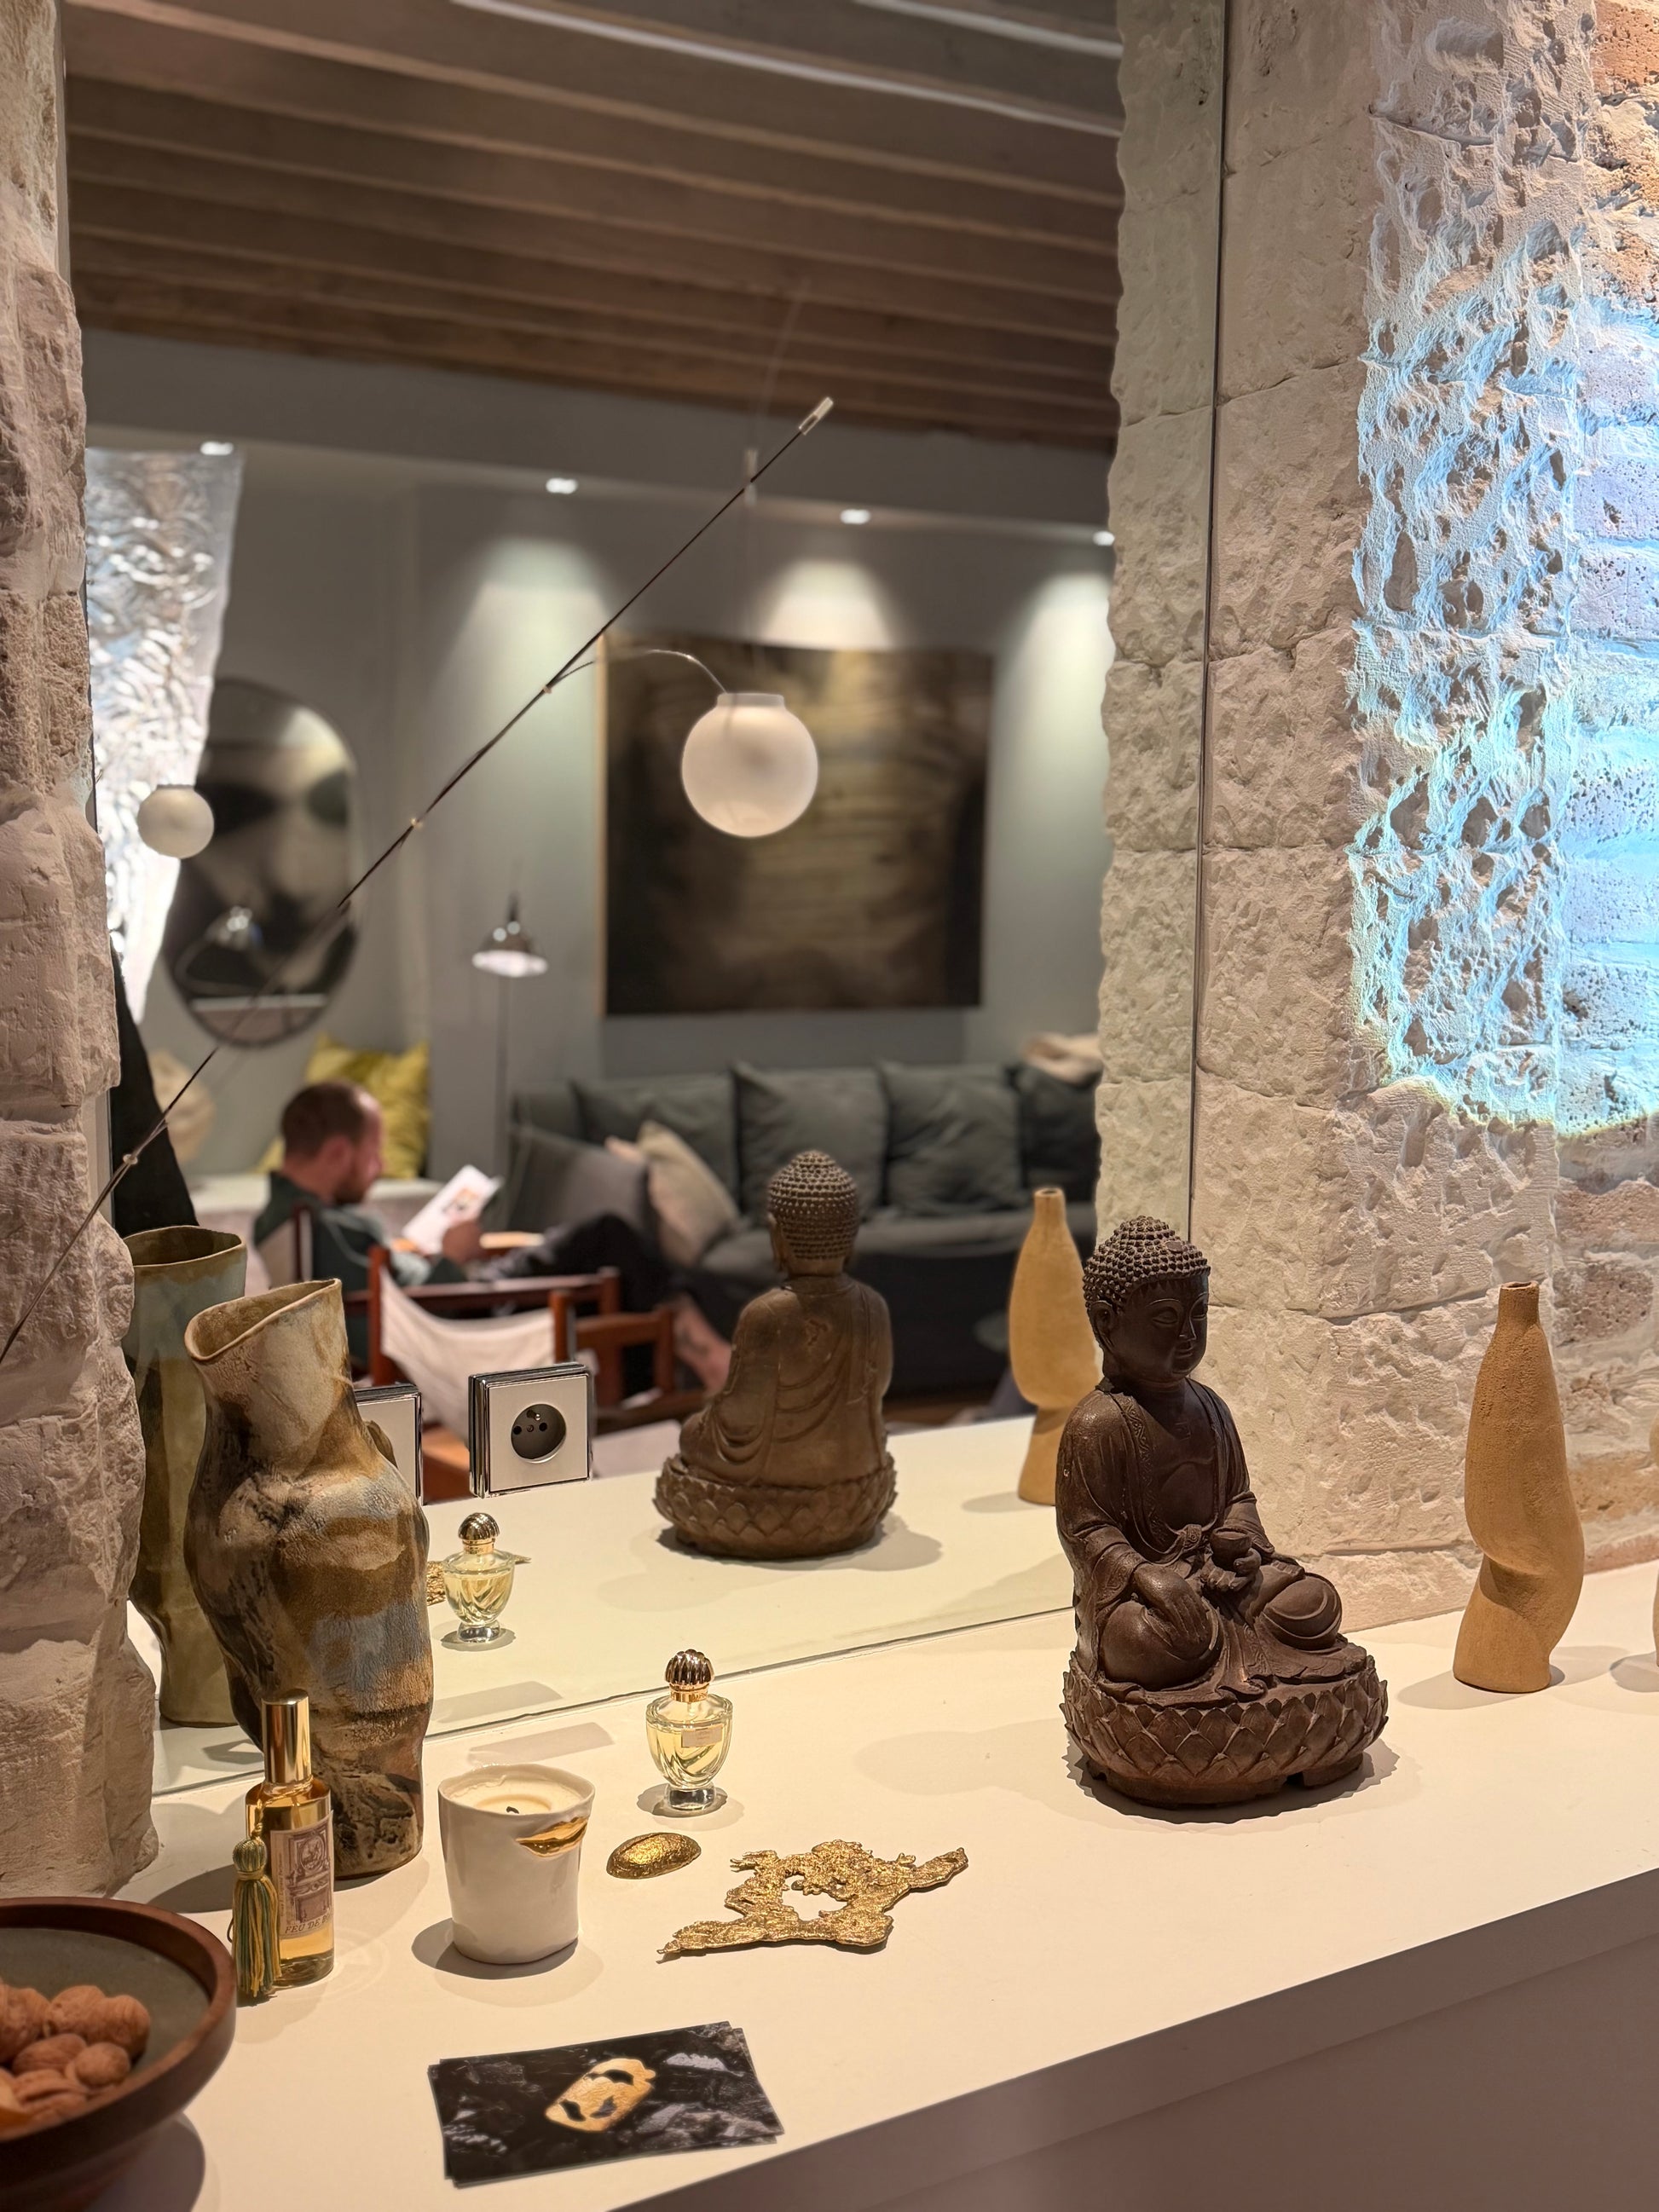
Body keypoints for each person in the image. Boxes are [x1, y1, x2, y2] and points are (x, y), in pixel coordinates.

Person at [254, 1083, 471, 1359]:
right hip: (457, 1325)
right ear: (338, 1152)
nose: (381, 1166)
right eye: (374, 1151)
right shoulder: (328, 1232)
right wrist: (453, 1259)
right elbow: (391, 1332)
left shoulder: (276, 1216)